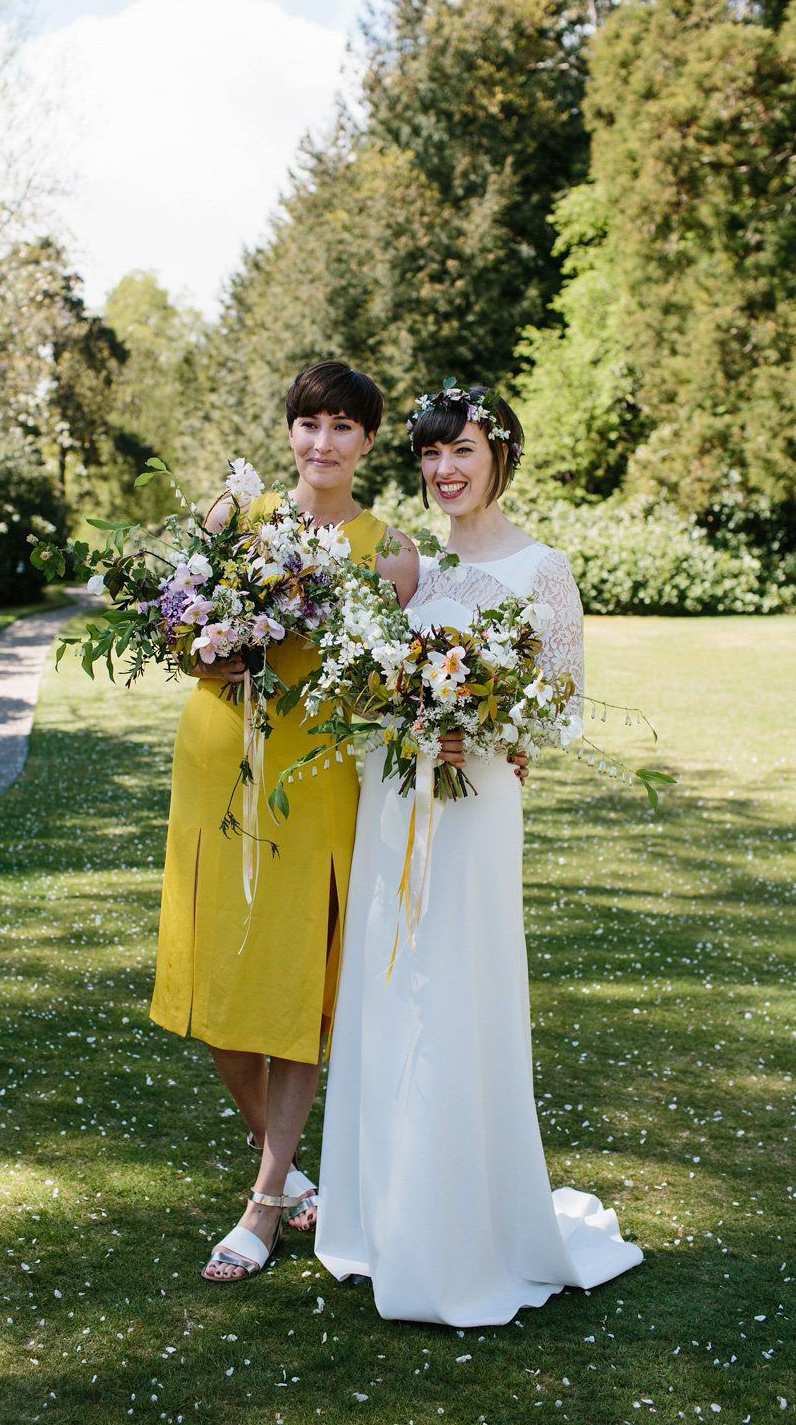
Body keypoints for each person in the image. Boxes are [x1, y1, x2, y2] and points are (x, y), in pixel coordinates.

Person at [315, 383, 643, 1325]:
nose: (444, 470)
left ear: (499, 455)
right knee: (390, 989)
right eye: (428, 455)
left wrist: (483, 729)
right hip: (393, 800)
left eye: (460, 450)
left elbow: (565, 706)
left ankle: (465, 1236)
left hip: (478, 805)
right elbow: (373, 675)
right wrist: (403, 709)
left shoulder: (543, 568)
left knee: (460, 989)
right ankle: (383, 1219)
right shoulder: (412, 567)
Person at [150, 361, 418, 1282]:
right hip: (220, 757)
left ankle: (264, 1204)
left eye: (344, 427)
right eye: (310, 423)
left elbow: (389, 679)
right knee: (224, 991)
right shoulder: (237, 519)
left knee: (299, 981)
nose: (322, 443)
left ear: (369, 443)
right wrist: (202, 653)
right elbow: (173, 623)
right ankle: (296, 1166)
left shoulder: (393, 553)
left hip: (319, 775)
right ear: (290, 431)